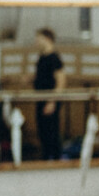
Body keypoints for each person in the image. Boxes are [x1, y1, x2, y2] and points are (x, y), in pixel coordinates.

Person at [32, 27, 66, 160]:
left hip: (50, 100)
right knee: (43, 132)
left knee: (52, 132)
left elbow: (61, 82)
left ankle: (56, 159)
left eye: (38, 38)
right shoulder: (42, 57)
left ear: (47, 39)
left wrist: (52, 101)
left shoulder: (54, 58)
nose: (36, 42)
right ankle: (46, 157)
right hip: (40, 99)